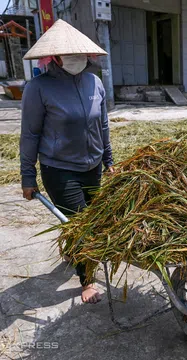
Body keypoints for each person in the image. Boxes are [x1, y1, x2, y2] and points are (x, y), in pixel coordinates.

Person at [20, 19, 113, 304]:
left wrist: (109, 160)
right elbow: (30, 134)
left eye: (81, 55)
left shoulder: (93, 82)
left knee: (91, 220)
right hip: (59, 169)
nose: (77, 60)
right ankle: (87, 281)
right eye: (70, 56)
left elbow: (103, 126)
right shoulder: (38, 88)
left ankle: (76, 253)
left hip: (92, 165)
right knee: (81, 224)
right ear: (56, 58)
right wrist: (27, 176)